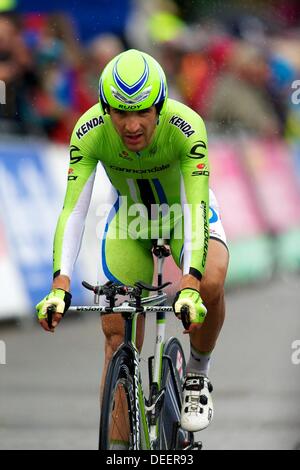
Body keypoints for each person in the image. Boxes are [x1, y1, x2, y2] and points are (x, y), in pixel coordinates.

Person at [36, 49, 229, 437]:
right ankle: (120, 445)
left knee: (209, 283)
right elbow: (74, 210)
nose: (132, 125)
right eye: (120, 113)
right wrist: (60, 285)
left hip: (183, 215)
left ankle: (196, 374)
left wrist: (189, 284)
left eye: (142, 112)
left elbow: (194, 204)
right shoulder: (90, 130)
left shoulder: (187, 125)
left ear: (159, 105)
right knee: (116, 334)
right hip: (130, 224)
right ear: (106, 108)